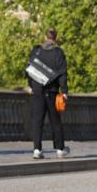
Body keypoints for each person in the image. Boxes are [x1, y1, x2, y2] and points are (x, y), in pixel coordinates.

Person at [27, 28, 69, 159]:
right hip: (52, 91)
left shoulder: (36, 50)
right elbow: (62, 74)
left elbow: (29, 70)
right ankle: (60, 149)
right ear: (56, 38)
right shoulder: (58, 52)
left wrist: (31, 86)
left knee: (37, 121)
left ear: (45, 37)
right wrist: (64, 91)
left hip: (37, 91)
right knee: (55, 121)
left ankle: (37, 149)